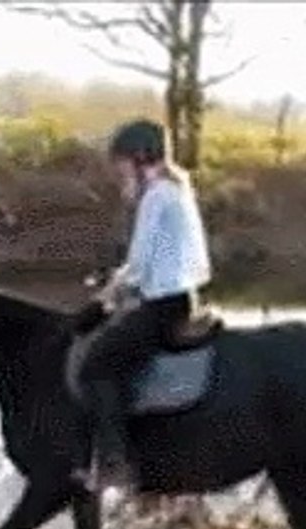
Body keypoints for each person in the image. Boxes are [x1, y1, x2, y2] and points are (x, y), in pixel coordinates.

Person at [73, 118, 213, 492]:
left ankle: (115, 462)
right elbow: (147, 262)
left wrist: (101, 303)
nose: (117, 173)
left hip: (163, 305)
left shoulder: (156, 196)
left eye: (119, 164)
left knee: (95, 365)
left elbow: (138, 266)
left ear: (138, 158)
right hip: (178, 298)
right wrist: (115, 285)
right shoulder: (176, 188)